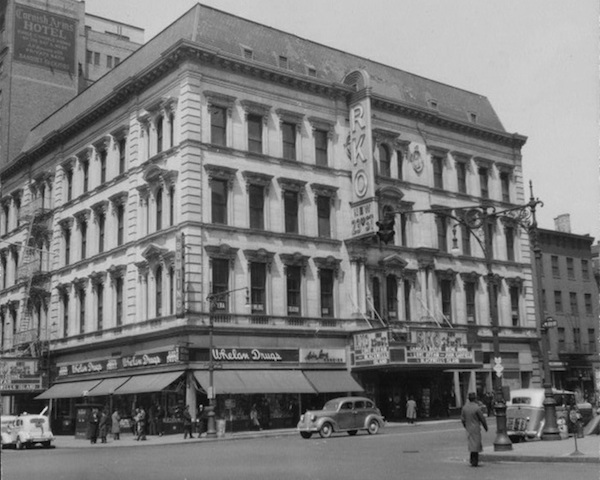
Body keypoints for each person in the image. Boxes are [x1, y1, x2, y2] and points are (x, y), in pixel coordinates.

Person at [461, 392, 488, 467]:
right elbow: (482, 419)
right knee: (476, 445)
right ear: (475, 399)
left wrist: (465, 426)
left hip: (469, 428)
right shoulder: (477, 408)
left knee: (471, 444)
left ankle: (472, 459)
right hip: (476, 428)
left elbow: (462, 419)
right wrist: (485, 427)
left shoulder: (465, 408)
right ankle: (474, 460)